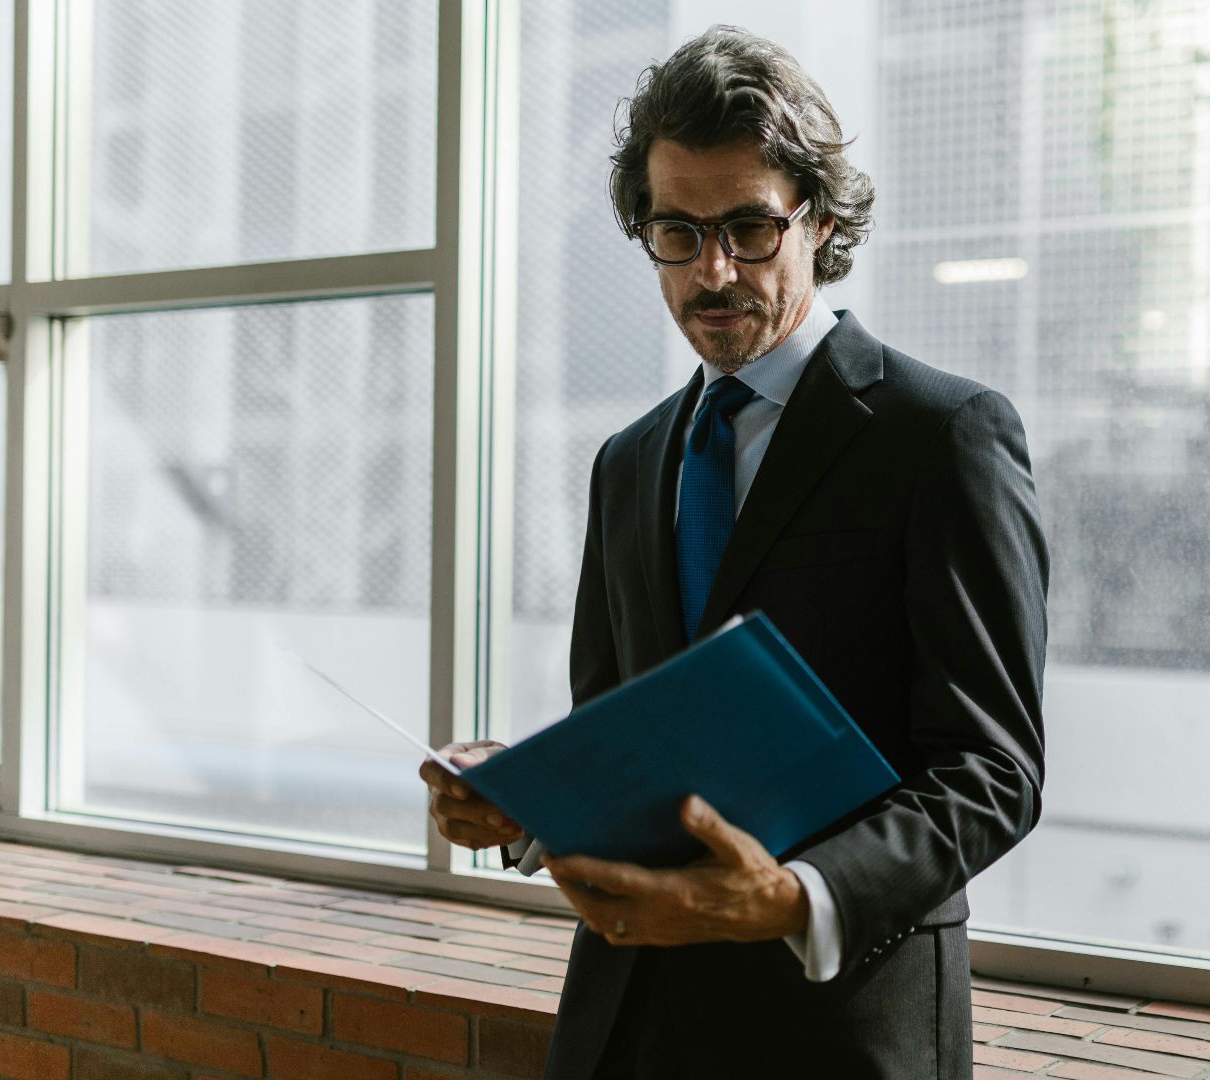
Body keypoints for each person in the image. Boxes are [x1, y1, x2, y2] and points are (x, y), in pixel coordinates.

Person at [418, 24, 1049, 1079]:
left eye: (751, 229)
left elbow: (991, 770)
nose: (714, 271)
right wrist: (525, 801)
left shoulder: (943, 436)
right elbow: (619, 727)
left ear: (821, 221)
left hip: (838, 1030)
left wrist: (793, 897)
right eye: (678, 232)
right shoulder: (629, 462)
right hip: (628, 1025)